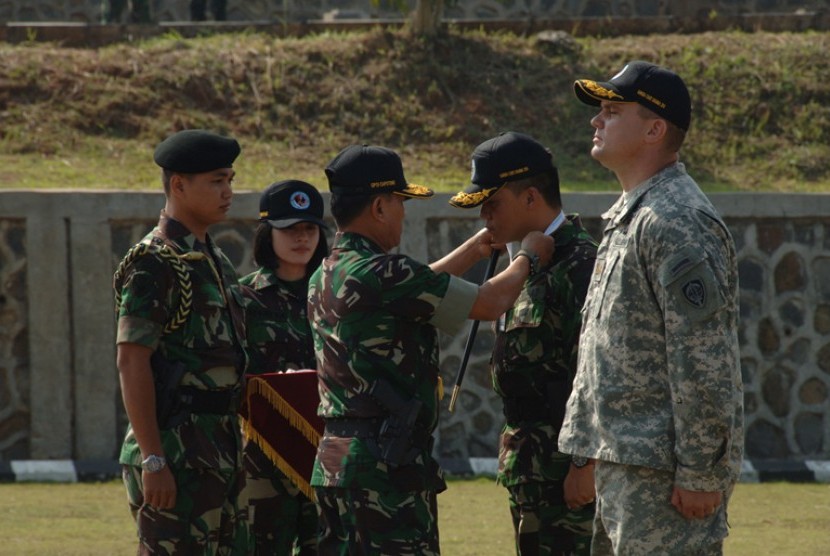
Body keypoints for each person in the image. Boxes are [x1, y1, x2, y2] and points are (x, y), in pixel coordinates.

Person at [308, 144, 555, 555]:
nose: (404, 213)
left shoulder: (329, 272)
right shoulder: (386, 272)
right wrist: (528, 256)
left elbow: (419, 286)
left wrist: (475, 250)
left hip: (338, 462)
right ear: (380, 206)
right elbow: (489, 302)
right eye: (400, 202)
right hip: (386, 469)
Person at [558, 61, 744, 555]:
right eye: (599, 110)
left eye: (613, 110)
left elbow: (703, 357)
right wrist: (588, 449)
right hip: (626, 467)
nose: (597, 120)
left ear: (655, 129)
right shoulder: (634, 214)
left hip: (662, 481)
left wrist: (702, 470)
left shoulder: (677, 220)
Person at [449, 131, 599, 555]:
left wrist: (583, 464)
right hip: (531, 474)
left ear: (531, 197)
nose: (485, 217)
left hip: (568, 477)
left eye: (492, 204)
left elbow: (598, 373)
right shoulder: (523, 264)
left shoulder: (581, 266)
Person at [113, 129, 249, 555]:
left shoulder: (214, 259)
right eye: (216, 181)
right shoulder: (155, 261)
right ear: (178, 184)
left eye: (230, 179)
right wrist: (154, 460)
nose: (228, 191)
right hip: (175, 451)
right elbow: (132, 362)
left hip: (219, 448)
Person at [238, 180, 328, 555]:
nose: (301, 238)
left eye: (309, 229)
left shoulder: (333, 294)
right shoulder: (243, 298)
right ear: (266, 233)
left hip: (322, 453)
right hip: (261, 458)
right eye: (289, 229)